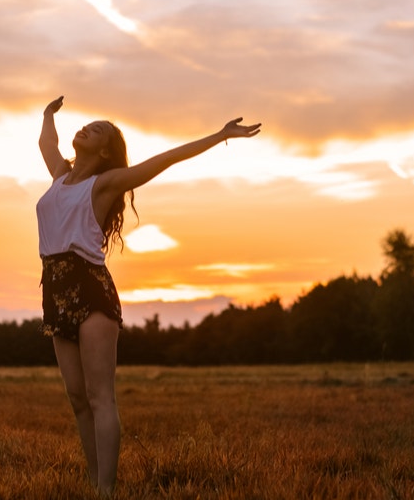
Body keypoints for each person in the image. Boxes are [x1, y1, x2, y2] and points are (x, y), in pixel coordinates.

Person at [35, 95, 261, 495]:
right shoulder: (59, 177)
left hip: (90, 288)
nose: (87, 127)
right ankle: (94, 483)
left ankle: (107, 489)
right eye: (89, 124)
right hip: (55, 288)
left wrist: (221, 135)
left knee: (99, 395)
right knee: (76, 397)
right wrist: (48, 115)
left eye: (98, 129)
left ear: (105, 151)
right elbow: (46, 145)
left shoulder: (104, 183)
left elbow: (166, 159)